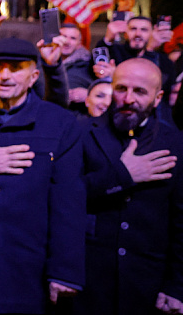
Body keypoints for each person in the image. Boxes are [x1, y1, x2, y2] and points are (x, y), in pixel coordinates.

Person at [0, 36, 86, 315]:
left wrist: (64, 270)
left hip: (28, 267)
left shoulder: (59, 123)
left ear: (34, 76)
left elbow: (68, 202)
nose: (5, 75)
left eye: (16, 68)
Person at [73, 58, 183, 315]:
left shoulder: (175, 143)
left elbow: (181, 221)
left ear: (158, 98)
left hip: (147, 285)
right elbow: (65, 197)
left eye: (140, 91)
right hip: (88, 281)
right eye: (121, 88)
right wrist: (122, 175)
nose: (128, 98)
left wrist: (177, 286)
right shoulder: (81, 132)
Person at [96, 15, 176, 94]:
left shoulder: (164, 61)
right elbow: (96, 68)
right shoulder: (115, 51)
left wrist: (150, 51)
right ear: (125, 33)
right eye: (133, 29)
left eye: (144, 30)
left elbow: (158, 87)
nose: (138, 34)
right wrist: (107, 39)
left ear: (151, 33)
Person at [58, 23, 96, 112]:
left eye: (73, 38)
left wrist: (89, 95)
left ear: (79, 44)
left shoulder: (89, 65)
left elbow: (105, 90)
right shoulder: (42, 62)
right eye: (64, 36)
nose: (67, 41)